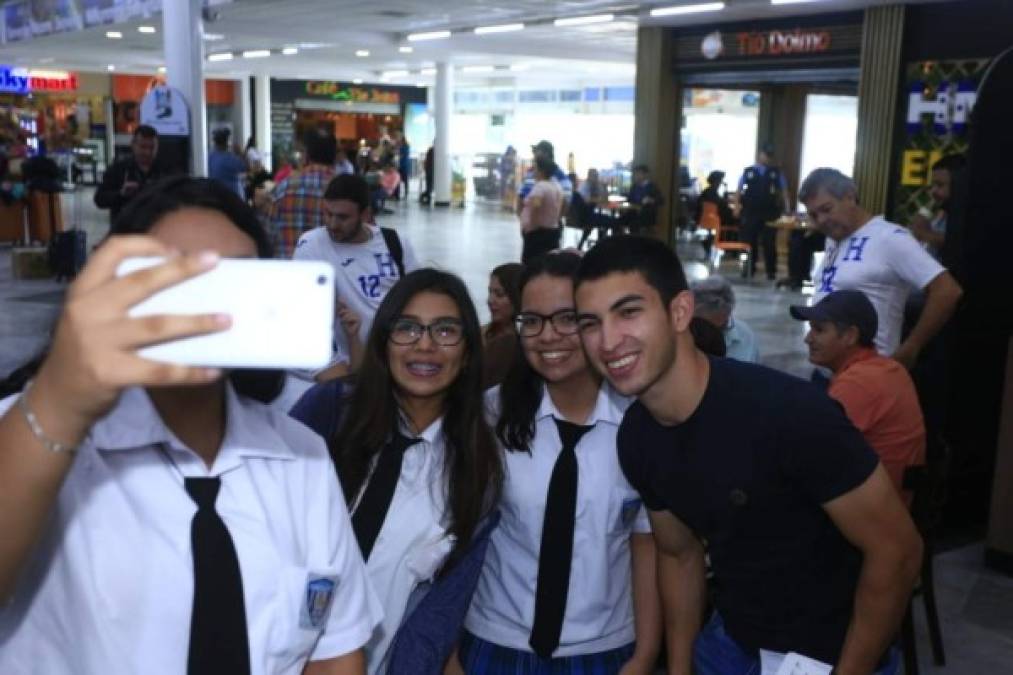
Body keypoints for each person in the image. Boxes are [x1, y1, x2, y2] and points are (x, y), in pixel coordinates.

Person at [0, 176, 380, 674]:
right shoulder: (32, 434)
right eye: (177, 278)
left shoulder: (301, 456)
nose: (205, 309)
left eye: (235, 280)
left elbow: (334, 652)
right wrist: (60, 399)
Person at [573, 235, 922, 675]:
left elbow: (899, 551)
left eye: (628, 312)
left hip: (833, 657)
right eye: (589, 323)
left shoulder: (787, 413)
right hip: (730, 646)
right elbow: (677, 554)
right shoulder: (639, 437)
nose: (608, 341)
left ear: (679, 312)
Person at [292, 269, 504, 674]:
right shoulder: (330, 412)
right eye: (407, 328)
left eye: (445, 331)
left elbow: (441, 609)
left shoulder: (475, 466)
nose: (424, 346)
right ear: (384, 340)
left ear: (467, 352)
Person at [458, 252, 661, 674]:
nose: (547, 336)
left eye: (567, 319)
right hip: (496, 642)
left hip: (604, 650)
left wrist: (644, 655)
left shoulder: (640, 425)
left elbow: (648, 548)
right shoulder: (489, 418)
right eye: (532, 320)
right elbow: (455, 539)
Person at [799, 167, 964, 367]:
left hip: (870, 374)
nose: (821, 220)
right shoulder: (834, 238)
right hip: (829, 373)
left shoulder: (890, 238)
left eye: (826, 209)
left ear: (850, 197)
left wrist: (911, 347)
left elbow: (947, 290)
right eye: (814, 215)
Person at [791, 290, 926, 502]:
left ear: (850, 336)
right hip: (888, 504)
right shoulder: (888, 368)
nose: (808, 338)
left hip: (873, 514)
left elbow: (810, 454)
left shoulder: (858, 383)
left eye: (819, 330)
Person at [294, 173, 418, 379]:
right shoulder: (312, 245)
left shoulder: (394, 242)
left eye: (343, 217)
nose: (332, 224)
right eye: (327, 214)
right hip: (346, 366)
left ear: (365, 214)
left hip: (397, 363)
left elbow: (417, 297)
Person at [268, 130, 338, 258]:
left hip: (289, 271)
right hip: (328, 273)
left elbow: (269, 233)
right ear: (335, 156)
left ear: (306, 155)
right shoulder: (345, 189)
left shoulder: (284, 187)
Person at [94, 124, 166, 224]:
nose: (147, 152)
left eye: (152, 148)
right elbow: (99, 199)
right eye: (143, 147)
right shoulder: (118, 169)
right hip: (125, 230)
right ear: (133, 144)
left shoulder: (165, 170)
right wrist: (121, 194)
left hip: (155, 230)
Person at [737, 144, 787, 280]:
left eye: (770, 156)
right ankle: (747, 269)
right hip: (750, 212)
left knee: (769, 243)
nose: (767, 158)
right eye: (765, 154)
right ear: (759, 154)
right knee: (748, 242)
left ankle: (771, 272)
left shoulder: (775, 172)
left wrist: (786, 209)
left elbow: (783, 192)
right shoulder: (749, 171)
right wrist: (737, 207)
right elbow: (739, 189)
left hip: (769, 213)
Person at [691, 275, 759, 363]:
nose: (713, 335)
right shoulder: (677, 337)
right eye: (704, 327)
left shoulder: (746, 337)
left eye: (721, 327)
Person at [910, 154, 965, 261]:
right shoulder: (942, 213)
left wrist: (924, 233)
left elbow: (959, 245)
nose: (933, 191)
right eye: (933, 185)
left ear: (959, 185)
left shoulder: (967, 215)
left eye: (940, 185)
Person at [519, 157, 563, 264]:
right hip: (553, 230)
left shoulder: (540, 187)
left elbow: (536, 207)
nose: (533, 171)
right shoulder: (556, 186)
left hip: (537, 234)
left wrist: (531, 227)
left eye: (535, 168)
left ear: (541, 170)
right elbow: (560, 206)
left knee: (530, 263)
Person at [516, 140, 572, 214]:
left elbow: (565, 204)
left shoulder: (561, 177)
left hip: (549, 223)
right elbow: (520, 196)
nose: (534, 155)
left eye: (536, 151)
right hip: (529, 222)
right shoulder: (530, 174)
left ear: (546, 154)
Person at [624, 164, 664, 233]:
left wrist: (651, 200)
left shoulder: (652, 187)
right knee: (618, 221)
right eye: (636, 174)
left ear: (646, 175)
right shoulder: (634, 186)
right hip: (633, 212)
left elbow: (662, 200)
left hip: (646, 215)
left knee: (633, 224)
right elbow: (629, 199)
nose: (636, 176)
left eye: (639, 174)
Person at [208, 127, 246, 198]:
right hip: (232, 195)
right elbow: (246, 167)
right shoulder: (230, 158)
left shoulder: (210, 156)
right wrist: (241, 153)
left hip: (216, 194)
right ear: (227, 142)